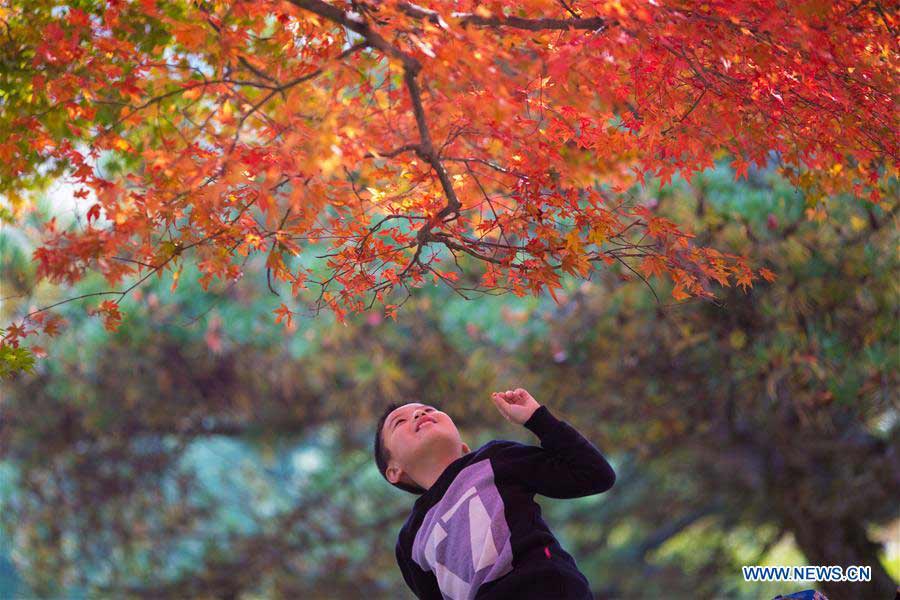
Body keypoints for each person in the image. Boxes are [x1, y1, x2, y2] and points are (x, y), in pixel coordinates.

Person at [373, 387, 616, 599]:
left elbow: (594, 474)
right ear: (394, 471)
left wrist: (537, 418)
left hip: (545, 586)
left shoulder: (495, 459)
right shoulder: (410, 541)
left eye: (428, 409)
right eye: (399, 422)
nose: (419, 414)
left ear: (463, 448)